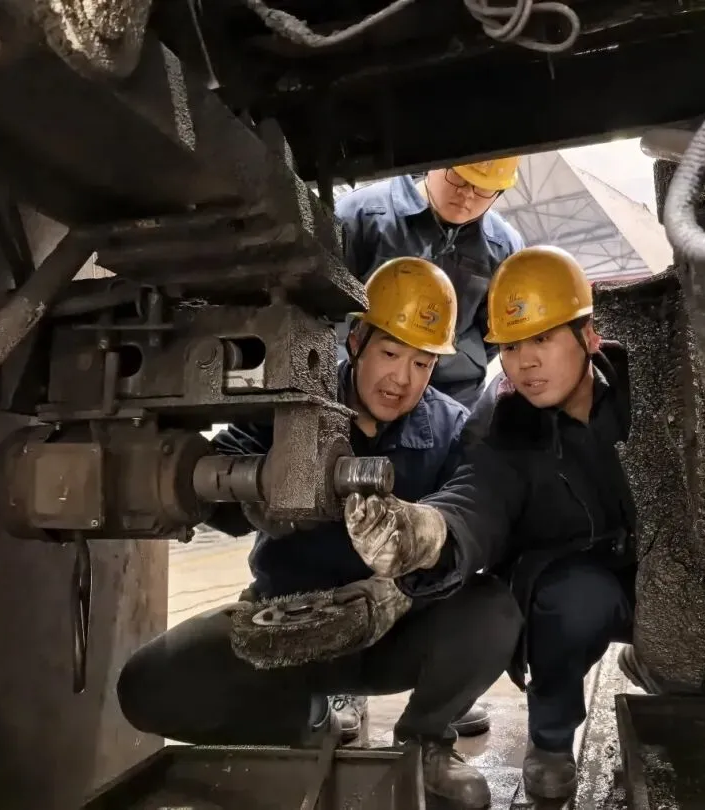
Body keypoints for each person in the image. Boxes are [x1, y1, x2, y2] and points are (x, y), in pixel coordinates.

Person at [117, 257, 522, 810]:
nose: (402, 379)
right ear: (356, 340)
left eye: (423, 363)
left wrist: (403, 582)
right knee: (146, 687)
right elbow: (223, 477)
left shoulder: (451, 430)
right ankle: (299, 727)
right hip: (285, 627)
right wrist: (256, 493)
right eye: (390, 353)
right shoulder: (291, 398)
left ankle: (425, 742)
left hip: (394, 631)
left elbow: (475, 526)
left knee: (496, 610)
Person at [342, 246, 638, 800]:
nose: (525, 362)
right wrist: (428, 532)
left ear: (588, 335)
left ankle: (662, 664)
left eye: (542, 339)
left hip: (667, 572)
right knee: (571, 600)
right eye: (512, 346)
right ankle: (551, 743)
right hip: (575, 582)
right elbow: (478, 495)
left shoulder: (648, 389)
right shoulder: (502, 421)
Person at [335, 158, 525, 409]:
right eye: (459, 178)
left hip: (453, 393)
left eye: (483, 188)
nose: (467, 194)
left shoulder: (504, 250)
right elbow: (321, 305)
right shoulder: (361, 216)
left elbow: (497, 332)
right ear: (433, 163)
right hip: (356, 383)